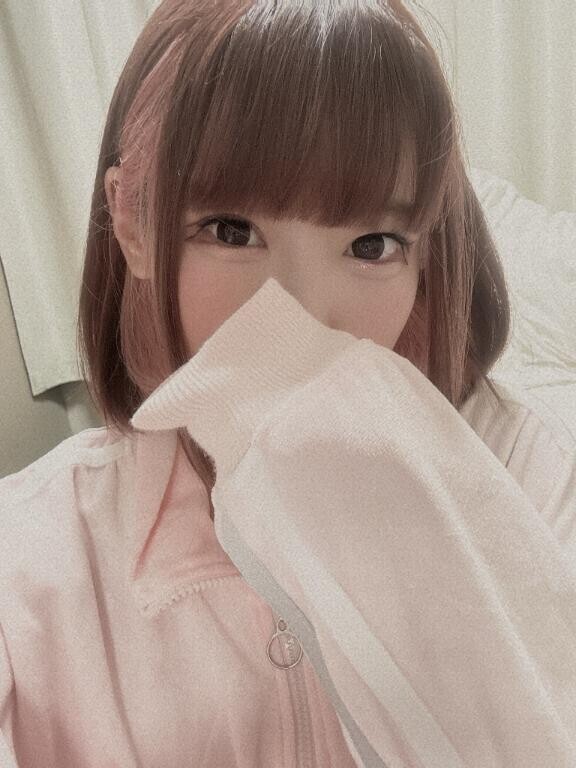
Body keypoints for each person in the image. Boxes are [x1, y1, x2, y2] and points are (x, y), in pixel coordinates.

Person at [1, 1, 575, 766]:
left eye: (372, 245)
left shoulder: (530, 478)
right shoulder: (30, 562)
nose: (303, 313)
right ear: (133, 221)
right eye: (231, 231)